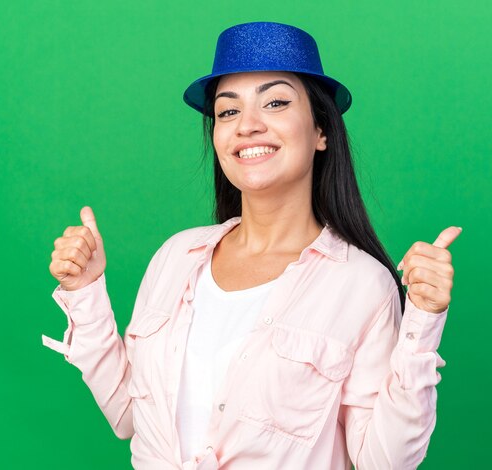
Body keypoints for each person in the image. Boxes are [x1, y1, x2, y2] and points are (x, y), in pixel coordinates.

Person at [43, 22, 461, 470]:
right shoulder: (175, 258)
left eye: (276, 102)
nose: (247, 126)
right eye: (227, 112)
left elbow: (384, 462)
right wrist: (86, 294)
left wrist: (423, 322)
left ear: (321, 130)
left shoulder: (363, 285)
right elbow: (129, 416)